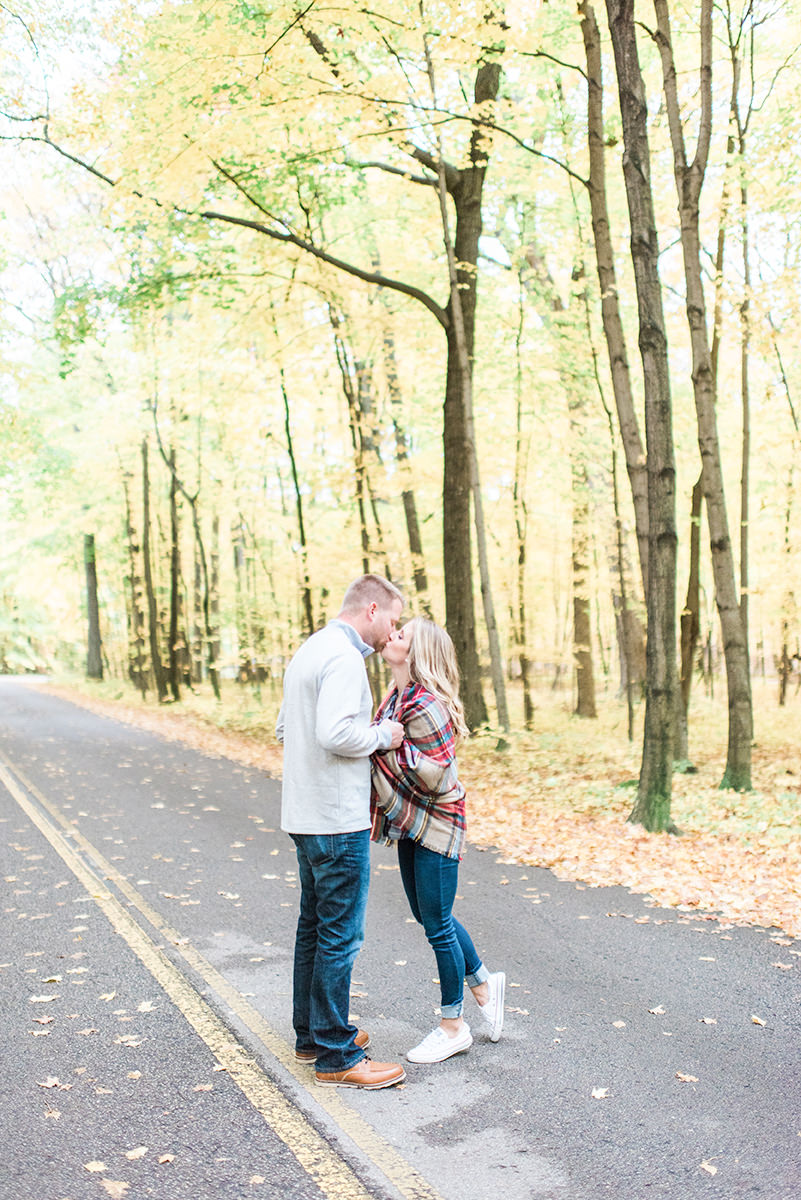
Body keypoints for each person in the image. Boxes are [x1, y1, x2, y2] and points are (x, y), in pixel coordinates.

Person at [276, 574, 407, 1089]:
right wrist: (383, 734)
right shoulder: (346, 659)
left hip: (304, 814)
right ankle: (336, 1055)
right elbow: (335, 733)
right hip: (335, 818)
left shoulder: (310, 649)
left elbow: (288, 728)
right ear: (371, 609)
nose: (392, 631)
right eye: (392, 619)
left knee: (314, 927)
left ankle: (313, 1035)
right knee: (339, 936)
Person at [370, 617, 505, 1064]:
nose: (391, 636)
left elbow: (437, 773)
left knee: (438, 925)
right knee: (431, 915)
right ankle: (483, 983)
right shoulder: (396, 697)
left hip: (439, 820)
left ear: (418, 652)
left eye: (401, 634)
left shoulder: (425, 705)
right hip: (413, 820)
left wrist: (389, 745)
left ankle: (453, 1026)